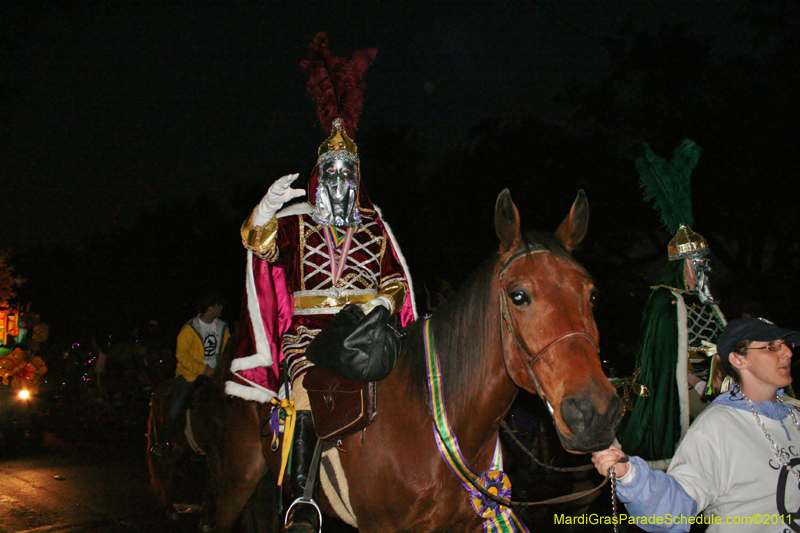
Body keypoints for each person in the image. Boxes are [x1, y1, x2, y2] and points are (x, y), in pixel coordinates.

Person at [224, 34, 415, 533]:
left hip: (367, 331)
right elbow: (257, 243)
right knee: (307, 393)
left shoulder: (376, 226)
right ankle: (300, 499)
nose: (338, 179)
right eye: (330, 170)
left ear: (356, 175)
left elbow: (397, 279)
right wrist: (266, 208)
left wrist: (381, 304)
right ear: (318, 173)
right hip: (309, 336)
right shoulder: (295, 222)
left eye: (346, 171)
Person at [593, 317, 800, 532]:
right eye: (772, 347)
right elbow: (677, 506)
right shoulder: (718, 426)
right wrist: (631, 477)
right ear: (739, 360)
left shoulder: (795, 414)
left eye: (787, 345)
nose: (788, 353)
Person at [616, 140, 726, 463]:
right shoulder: (665, 301)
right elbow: (664, 360)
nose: (703, 268)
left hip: (719, 386)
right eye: (697, 262)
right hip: (689, 391)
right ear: (683, 264)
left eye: (704, 262)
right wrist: (693, 379)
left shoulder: (707, 303)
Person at [150, 294, 230, 458]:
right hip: (191, 375)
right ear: (210, 308)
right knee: (176, 406)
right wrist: (203, 369)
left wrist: (222, 369)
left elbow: (227, 352)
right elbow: (182, 355)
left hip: (217, 376)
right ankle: (163, 442)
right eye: (218, 305)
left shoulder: (224, 328)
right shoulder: (189, 329)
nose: (221, 308)